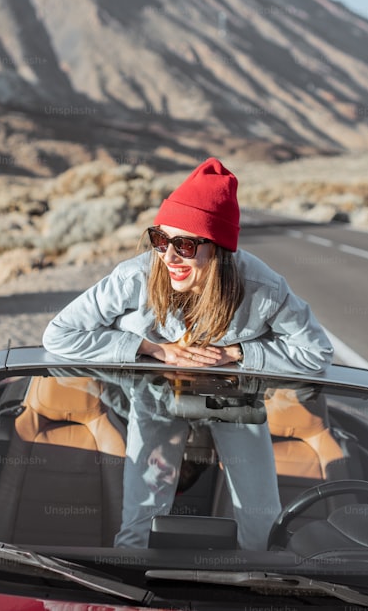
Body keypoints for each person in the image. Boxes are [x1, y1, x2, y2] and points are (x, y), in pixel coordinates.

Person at [42, 157, 334, 549]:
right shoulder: (135, 278)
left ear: (219, 248)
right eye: (160, 239)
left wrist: (237, 353)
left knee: (261, 519)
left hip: (235, 403)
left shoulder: (264, 288)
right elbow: (59, 334)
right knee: (139, 523)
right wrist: (153, 350)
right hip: (152, 400)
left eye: (184, 244)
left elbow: (316, 353)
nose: (168, 257)